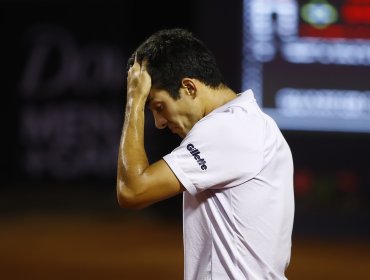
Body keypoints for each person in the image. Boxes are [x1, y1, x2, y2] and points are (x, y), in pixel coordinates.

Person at [116, 28, 295, 280]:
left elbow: (132, 190)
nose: (158, 122)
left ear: (189, 87)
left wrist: (134, 101)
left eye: (159, 106)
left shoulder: (228, 129)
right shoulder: (252, 124)